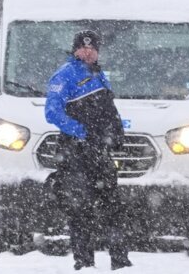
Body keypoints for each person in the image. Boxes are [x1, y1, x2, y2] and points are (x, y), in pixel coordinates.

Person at [46, 30, 132, 270]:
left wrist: (116, 133)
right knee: (80, 208)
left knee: (113, 206)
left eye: (92, 48)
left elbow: (107, 108)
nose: (88, 52)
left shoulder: (99, 74)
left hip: (99, 152)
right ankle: (84, 263)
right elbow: (52, 112)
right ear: (75, 50)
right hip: (75, 152)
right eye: (83, 48)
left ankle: (121, 261)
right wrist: (81, 132)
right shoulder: (64, 75)